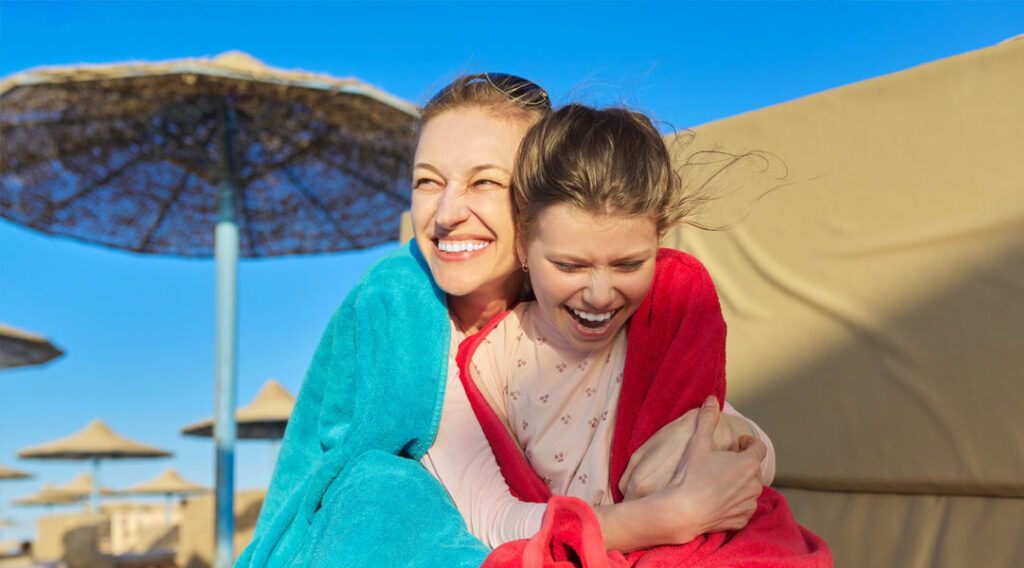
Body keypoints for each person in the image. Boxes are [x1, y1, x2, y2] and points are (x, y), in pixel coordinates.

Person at [238, 74, 776, 568]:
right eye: (428, 182)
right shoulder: (412, 320)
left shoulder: (591, 301)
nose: (445, 213)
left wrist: (727, 435)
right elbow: (473, 513)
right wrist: (663, 519)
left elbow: (689, 403)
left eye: (484, 183)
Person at [455, 103, 831, 566]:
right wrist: (660, 517)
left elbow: (753, 457)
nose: (598, 294)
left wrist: (726, 432)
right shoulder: (490, 361)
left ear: (660, 241)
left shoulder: (663, 318)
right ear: (523, 247)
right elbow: (487, 517)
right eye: (569, 266)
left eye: (629, 264)